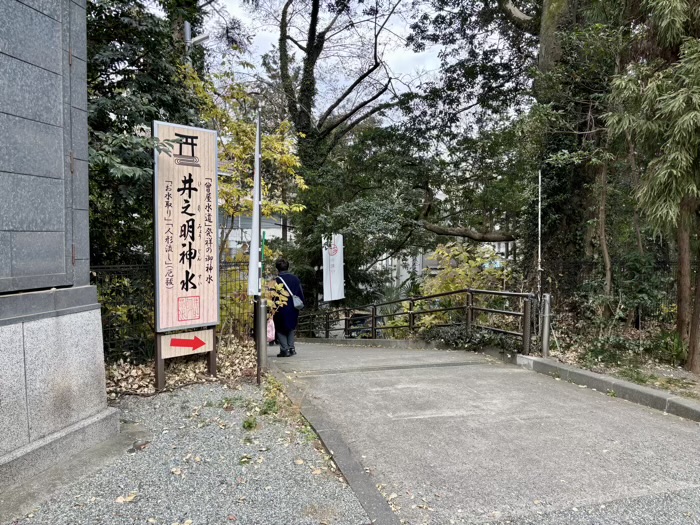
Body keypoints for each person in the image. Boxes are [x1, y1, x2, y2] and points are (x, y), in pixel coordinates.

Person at [273, 258, 304, 357]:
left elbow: (273, 296)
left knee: (280, 328)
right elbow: (300, 293)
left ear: (277, 268)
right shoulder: (295, 279)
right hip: (293, 308)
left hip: (280, 308)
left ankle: (284, 349)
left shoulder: (276, 281)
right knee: (291, 327)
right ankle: (291, 348)